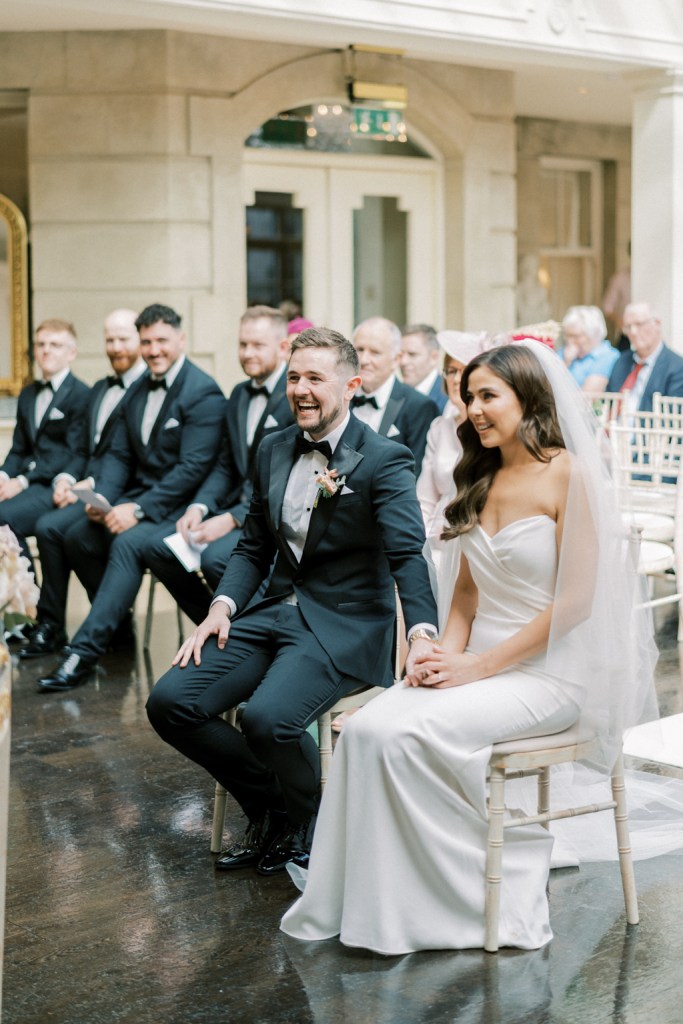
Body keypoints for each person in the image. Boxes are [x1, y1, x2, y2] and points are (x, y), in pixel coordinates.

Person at [281, 340, 658, 954]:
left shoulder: (572, 474)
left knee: (402, 735)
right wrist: (432, 662)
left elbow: (575, 604)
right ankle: (376, 902)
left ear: (528, 399)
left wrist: (476, 667)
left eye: (489, 396)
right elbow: (463, 594)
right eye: (469, 396)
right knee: (369, 730)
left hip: (548, 675)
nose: (475, 409)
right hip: (472, 664)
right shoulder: (479, 471)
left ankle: (479, 893)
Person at [146, 327, 438, 877]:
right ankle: (275, 810)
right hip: (274, 609)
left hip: (347, 625)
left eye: (315, 379)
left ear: (351, 385)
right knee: (170, 702)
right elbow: (254, 546)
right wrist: (222, 607)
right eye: (294, 377)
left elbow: (407, 555)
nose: (301, 389)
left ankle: (312, 825)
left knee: (268, 720)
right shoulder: (274, 447)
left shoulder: (384, 459)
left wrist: (422, 635)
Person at [36, 303, 225, 692]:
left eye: (161, 341)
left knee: (126, 543)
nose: (153, 349)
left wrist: (137, 509)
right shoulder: (138, 389)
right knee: (78, 536)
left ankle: (83, 652)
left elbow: (193, 468)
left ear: (181, 339)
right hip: (141, 496)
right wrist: (102, 497)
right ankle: (116, 627)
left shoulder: (203, 391)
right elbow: (120, 453)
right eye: (147, 342)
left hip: (182, 504)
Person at [143, 305, 294, 623]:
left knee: (215, 558)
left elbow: (289, 478)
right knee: (157, 548)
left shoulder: (295, 397)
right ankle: (215, 628)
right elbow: (226, 464)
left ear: (283, 348)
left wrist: (231, 519)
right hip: (231, 507)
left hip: (273, 519)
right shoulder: (238, 394)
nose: (248, 353)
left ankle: (256, 634)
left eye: (257, 345)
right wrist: (199, 506)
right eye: (243, 344)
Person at [22, 309, 146, 658]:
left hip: (124, 492)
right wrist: (69, 480)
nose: (116, 346)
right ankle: (52, 623)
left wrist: (96, 488)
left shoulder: (146, 390)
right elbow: (83, 449)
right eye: (110, 340)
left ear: (140, 341)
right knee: (49, 528)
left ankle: (111, 619)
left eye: (124, 339)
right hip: (93, 484)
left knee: (63, 531)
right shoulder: (101, 389)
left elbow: (132, 459)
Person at [0, 319, 90, 571]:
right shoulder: (28, 393)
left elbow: (71, 453)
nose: (46, 350)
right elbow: (20, 448)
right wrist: (4, 474)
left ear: (71, 353)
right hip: (27, 482)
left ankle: (27, 601)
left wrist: (22, 481)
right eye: (40, 344)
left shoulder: (83, 394)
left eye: (55, 344)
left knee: (3, 519)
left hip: (54, 486)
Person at [416, 330, 488, 548]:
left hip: (479, 538)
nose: (457, 379)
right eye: (451, 371)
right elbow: (425, 501)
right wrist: (422, 545)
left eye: (464, 370)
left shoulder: (491, 430)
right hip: (437, 537)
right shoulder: (440, 428)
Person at [351, 316, 439, 475]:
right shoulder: (340, 398)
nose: (364, 360)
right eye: (359, 350)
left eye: (375, 352)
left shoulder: (419, 407)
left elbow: (416, 473)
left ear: (396, 359)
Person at [607, 301, 683, 411]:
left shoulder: (677, 367)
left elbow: (671, 418)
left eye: (638, 324)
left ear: (657, 324)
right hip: (614, 426)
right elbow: (608, 402)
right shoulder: (622, 361)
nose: (633, 332)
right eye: (628, 327)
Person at [561, 305, 618, 395]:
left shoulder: (607, 356)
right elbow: (546, 387)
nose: (569, 341)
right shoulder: (563, 353)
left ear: (593, 336)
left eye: (575, 336)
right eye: (567, 335)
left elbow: (588, 397)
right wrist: (566, 363)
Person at [399, 323, 448, 413]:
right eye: (400, 355)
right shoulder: (396, 395)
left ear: (434, 357)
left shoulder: (448, 397)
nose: (403, 362)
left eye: (412, 354)